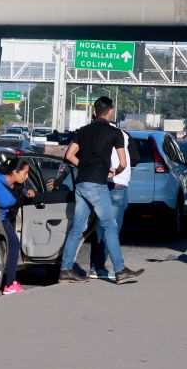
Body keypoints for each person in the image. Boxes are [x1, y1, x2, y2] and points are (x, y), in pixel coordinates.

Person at [59, 96, 145, 285]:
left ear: (94, 112)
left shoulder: (83, 131)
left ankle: (66, 269)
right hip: (97, 184)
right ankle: (120, 270)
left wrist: (85, 166)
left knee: (78, 228)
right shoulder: (115, 133)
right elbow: (123, 162)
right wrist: (115, 171)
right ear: (111, 111)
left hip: (81, 183)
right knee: (110, 226)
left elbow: (69, 155)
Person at [89, 109, 136, 280]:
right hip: (117, 184)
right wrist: (116, 174)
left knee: (102, 226)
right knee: (111, 228)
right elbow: (129, 159)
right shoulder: (120, 134)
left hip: (105, 183)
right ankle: (108, 267)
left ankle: (96, 266)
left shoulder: (90, 133)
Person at [0, 156, 37, 295]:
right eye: (25, 173)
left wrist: (27, 193)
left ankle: (10, 282)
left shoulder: (15, 184)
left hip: (5, 219)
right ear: (15, 172)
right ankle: (9, 284)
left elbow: (17, 191)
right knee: (14, 244)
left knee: (14, 243)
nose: (26, 177)